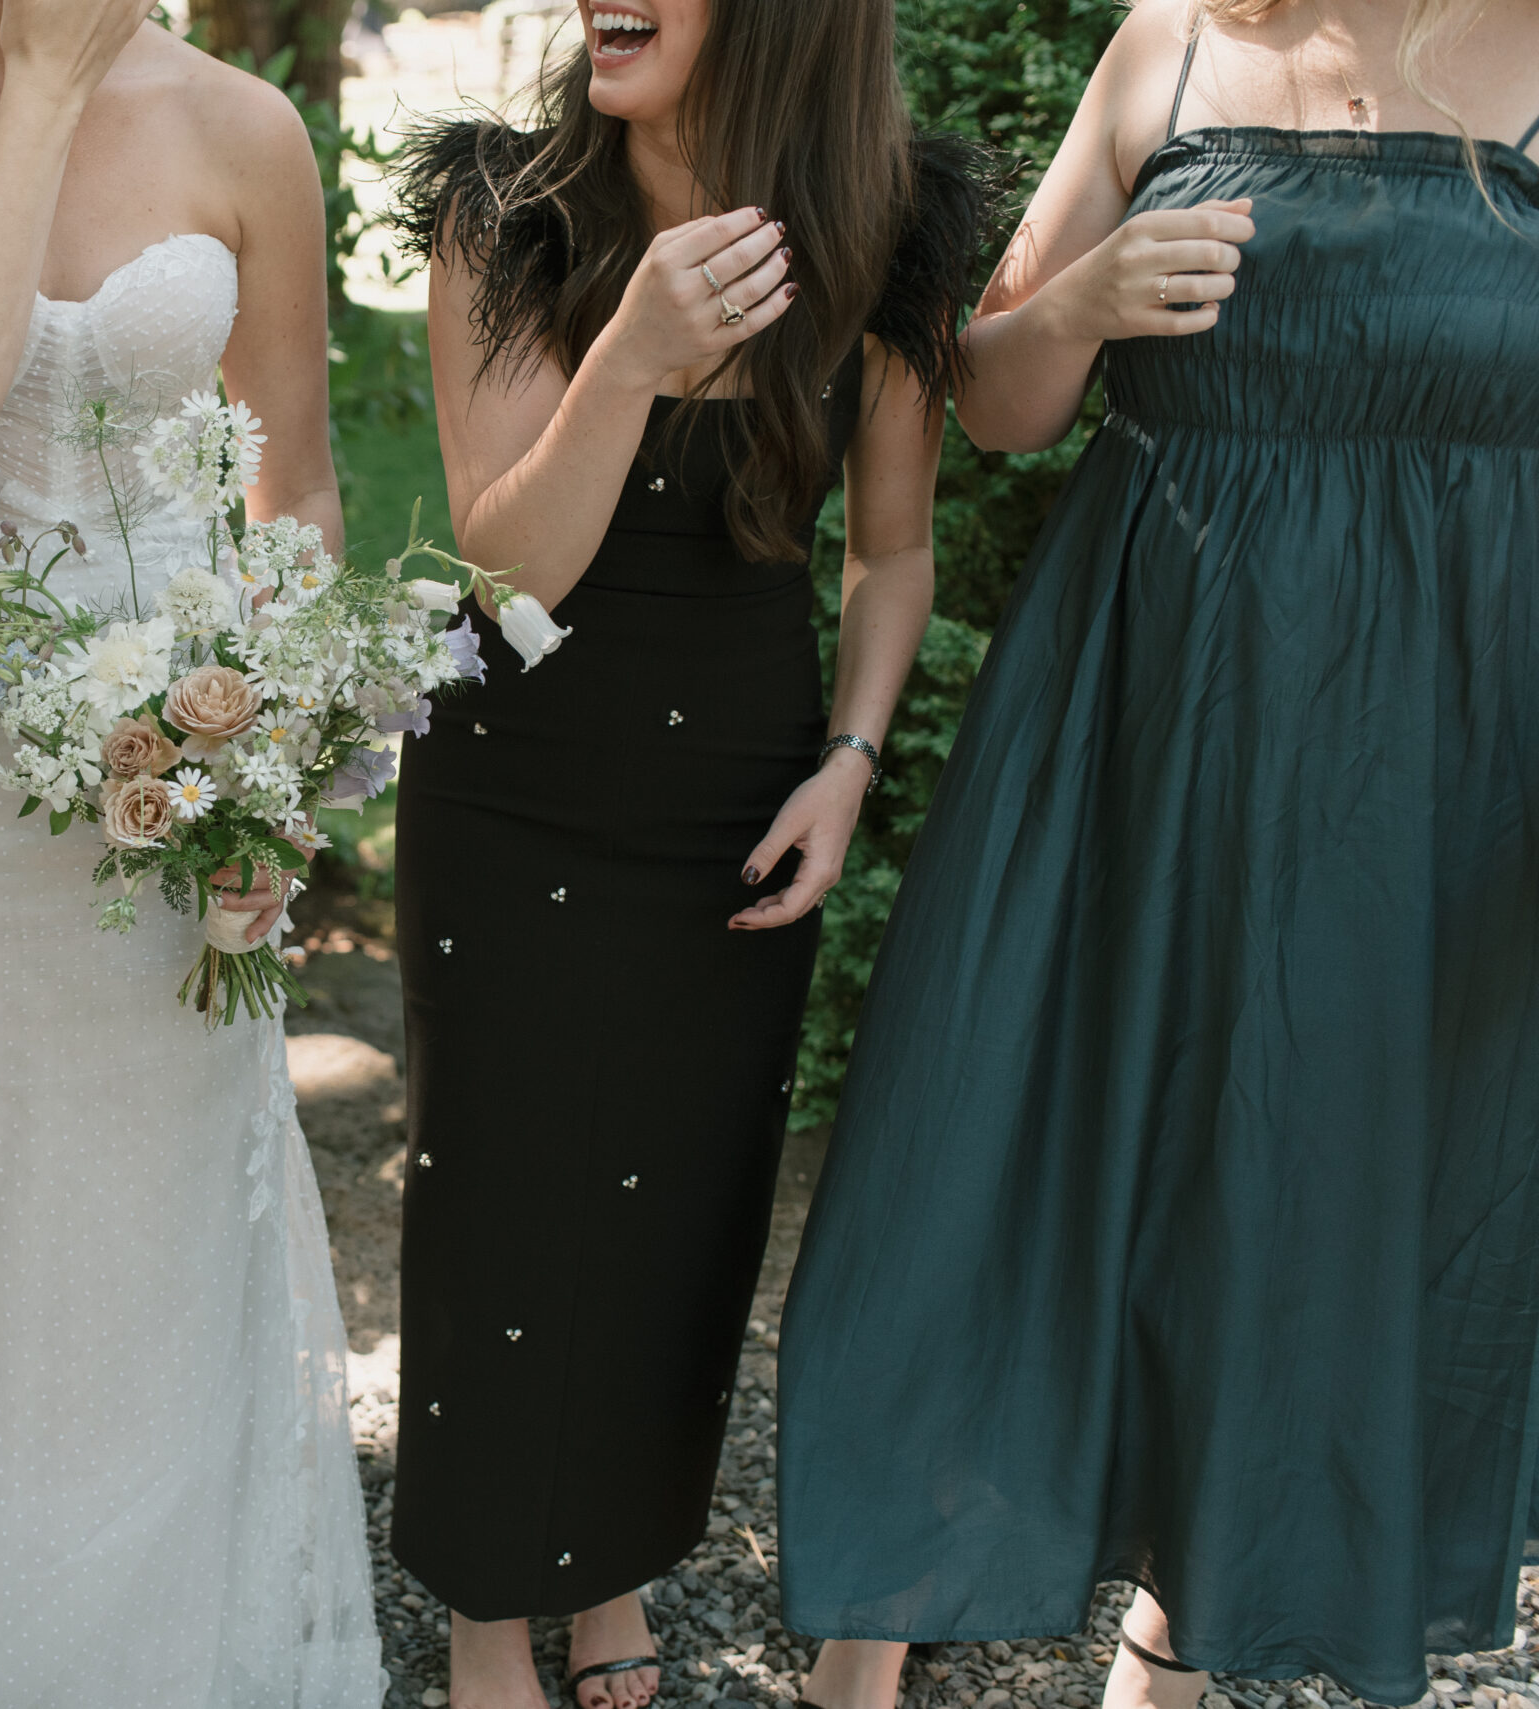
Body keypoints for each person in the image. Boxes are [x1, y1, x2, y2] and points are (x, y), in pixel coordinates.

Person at [777, 0, 1539, 1702]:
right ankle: (861, 1652)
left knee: (1311, 1173)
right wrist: (1084, 301)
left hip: (1440, 754)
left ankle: (1170, 1659)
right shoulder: (1171, 47)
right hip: (1149, 703)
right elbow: (994, 405)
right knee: (991, 1133)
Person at [0, 1, 383, 1704]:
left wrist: (270, 774)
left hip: (182, 784)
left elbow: (296, 493)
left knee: (157, 1239)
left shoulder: (248, 125)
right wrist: (40, 87)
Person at [382, 0, 990, 1700]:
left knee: (676, 1205)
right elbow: (510, 574)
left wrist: (855, 758)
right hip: (511, 782)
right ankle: (492, 1613)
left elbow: (890, 556)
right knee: (499, 1197)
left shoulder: (882, 237)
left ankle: (613, 1573)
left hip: (739, 792)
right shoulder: (510, 212)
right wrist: (632, 356)